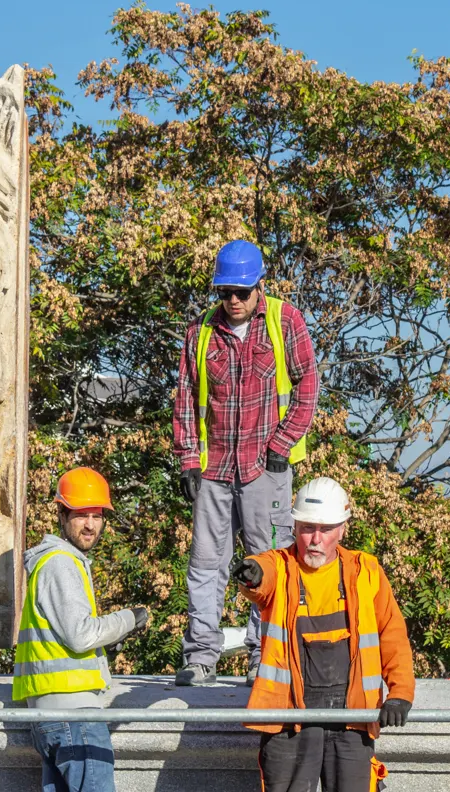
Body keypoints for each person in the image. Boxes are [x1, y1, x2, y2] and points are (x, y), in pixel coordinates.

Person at [173, 239, 319, 686]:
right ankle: (200, 657)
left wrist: (282, 443)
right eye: (224, 292)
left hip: (265, 469)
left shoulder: (283, 320)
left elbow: (308, 383)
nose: (232, 301)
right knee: (205, 564)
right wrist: (186, 459)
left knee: (269, 565)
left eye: (240, 291)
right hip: (214, 469)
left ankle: (265, 656)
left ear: (259, 285)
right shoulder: (200, 332)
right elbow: (183, 398)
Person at [231, 477, 415, 792]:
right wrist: (253, 573)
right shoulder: (281, 566)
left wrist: (400, 695)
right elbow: (264, 573)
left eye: (325, 530)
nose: (315, 539)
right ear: (295, 527)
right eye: (306, 528)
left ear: (342, 529)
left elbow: (393, 636)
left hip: (353, 715)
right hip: (289, 716)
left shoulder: (365, 571)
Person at [14, 467, 150, 792]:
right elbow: (80, 635)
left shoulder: (58, 562)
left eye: (96, 515)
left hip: (55, 716)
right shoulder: (60, 563)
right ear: (61, 514)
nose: (90, 524)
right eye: (80, 515)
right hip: (75, 717)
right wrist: (130, 619)